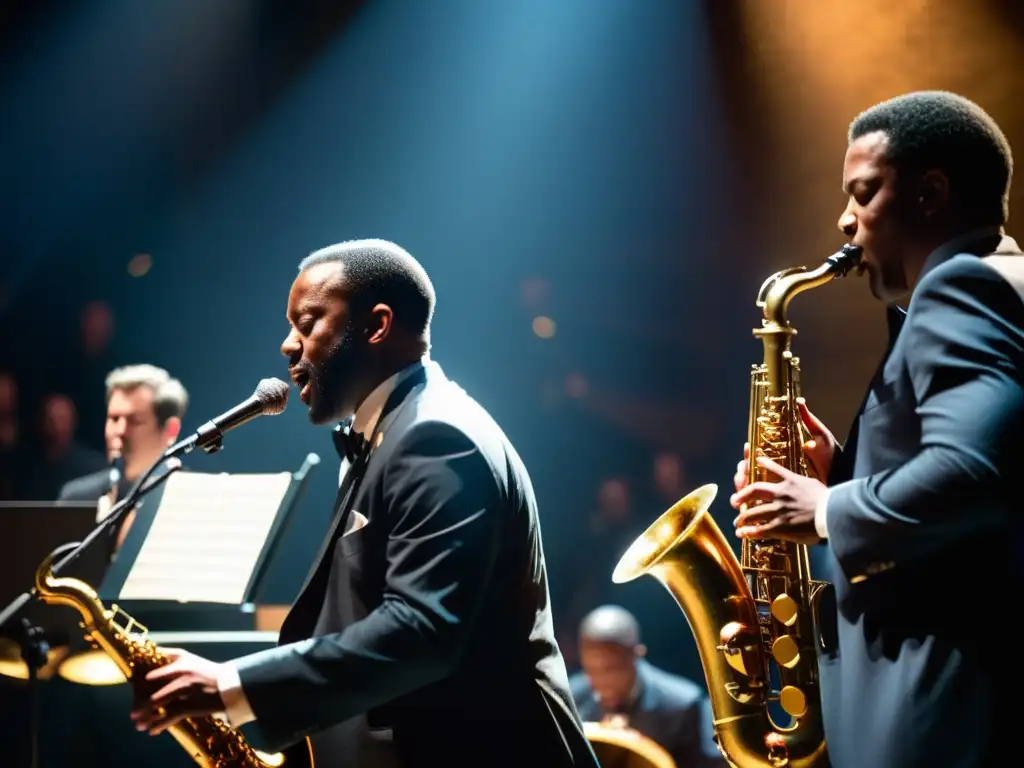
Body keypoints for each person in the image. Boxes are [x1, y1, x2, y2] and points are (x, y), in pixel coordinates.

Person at [128, 239, 599, 767]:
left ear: (377, 326)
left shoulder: (439, 436)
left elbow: (423, 629)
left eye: (307, 323)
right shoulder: (390, 429)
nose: (288, 345)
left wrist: (233, 685)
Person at [729, 91, 1022, 767]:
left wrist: (824, 507)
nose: (844, 220)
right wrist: (840, 466)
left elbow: (974, 474)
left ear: (930, 193)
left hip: (931, 713)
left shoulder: (961, 290)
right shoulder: (1004, 281)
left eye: (863, 194)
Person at [570, 605, 723, 767]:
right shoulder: (570, 697)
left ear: (637, 654)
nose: (602, 681)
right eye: (591, 669)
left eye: (613, 668)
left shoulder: (685, 706)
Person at [59, 364, 189, 553]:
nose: (119, 431)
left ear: (170, 430)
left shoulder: (190, 501)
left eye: (134, 421)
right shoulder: (77, 498)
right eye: (114, 418)